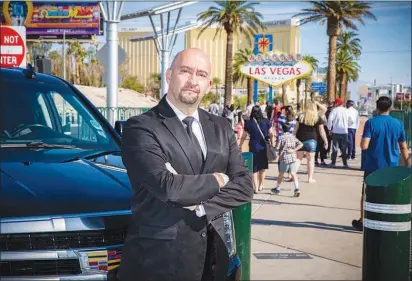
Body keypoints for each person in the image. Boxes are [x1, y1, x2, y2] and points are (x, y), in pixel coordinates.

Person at [119, 48, 253, 281]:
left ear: (209, 84)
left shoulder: (221, 127)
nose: (193, 80)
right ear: (169, 75)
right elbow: (168, 187)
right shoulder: (141, 128)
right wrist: (219, 179)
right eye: (185, 71)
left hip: (218, 260)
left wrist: (202, 207)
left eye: (201, 74)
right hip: (160, 263)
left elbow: (245, 185)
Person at [352, 96, 409, 231]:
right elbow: (403, 147)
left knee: (366, 194)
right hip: (392, 166)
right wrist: (407, 164)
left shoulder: (371, 123)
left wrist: (363, 141)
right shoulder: (398, 123)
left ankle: (363, 221)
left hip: (373, 166)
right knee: (389, 194)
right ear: (390, 108)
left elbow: (364, 146)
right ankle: (387, 221)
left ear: (377, 107)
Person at [239, 105, 273, 193]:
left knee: (254, 168)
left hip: (253, 146)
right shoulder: (266, 122)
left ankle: (256, 188)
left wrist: (240, 145)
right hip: (263, 146)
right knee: (262, 167)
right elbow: (271, 133)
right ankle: (261, 185)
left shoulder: (249, 123)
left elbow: (243, 136)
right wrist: (272, 142)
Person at [294, 100, 329, 183]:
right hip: (312, 140)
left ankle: (292, 174)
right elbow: (321, 130)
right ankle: (310, 178)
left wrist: (293, 136)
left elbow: (296, 127)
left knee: (298, 159)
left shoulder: (301, 116)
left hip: (300, 139)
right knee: (310, 160)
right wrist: (325, 140)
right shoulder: (317, 117)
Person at [272, 122, 304, 197]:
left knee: (281, 174)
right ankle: (297, 188)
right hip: (292, 157)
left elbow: (277, 148)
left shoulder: (281, 137)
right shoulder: (292, 137)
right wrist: (294, 150)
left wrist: (272, 147)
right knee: (293, 173)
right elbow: (301, 144)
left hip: (284, 158)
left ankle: (277, 188)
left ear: (282, 129)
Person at [327, 98, 353, 168]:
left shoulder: (334, 111)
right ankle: (345, 164)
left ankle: (333, 163)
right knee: (344, 148)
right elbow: (351, 121)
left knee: (335, 148)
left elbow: (329, 120)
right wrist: (347, 126)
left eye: (335, 103)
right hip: (344, 132)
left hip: (335, 131)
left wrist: (329, 129)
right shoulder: (346, 111)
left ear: (337, 103)